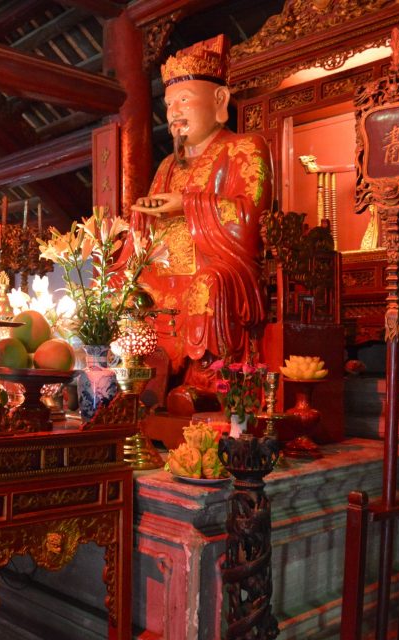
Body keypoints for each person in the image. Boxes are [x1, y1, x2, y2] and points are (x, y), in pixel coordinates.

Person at [130, 34, 272, 414]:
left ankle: (205, 380)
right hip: (165, 270)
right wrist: (143, 214)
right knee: (124, 287)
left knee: (209, 285)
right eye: (168, 104)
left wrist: (187, 204)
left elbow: (250, 216)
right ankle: (141, 379)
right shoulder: (166, 166)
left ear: (220, 102)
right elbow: (148, 234)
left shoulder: (245, 147)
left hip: (223, 264)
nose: (174, 112)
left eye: (184, 100)